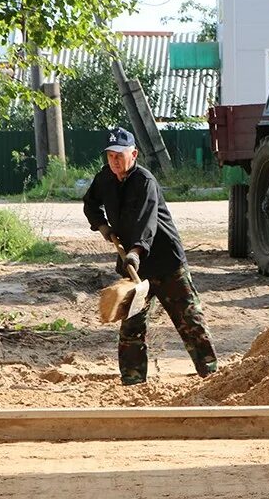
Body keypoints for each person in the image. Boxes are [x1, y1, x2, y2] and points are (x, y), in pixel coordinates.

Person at [84, 127, 218, 385]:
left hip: (165, 263)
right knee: (132, 325)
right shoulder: (104, 179)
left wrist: (134, 253)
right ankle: (133, 380)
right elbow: (90, 203)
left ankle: (210, 374)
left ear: (133, 154)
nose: (114, 160)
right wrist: (102, 226)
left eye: (119, 155)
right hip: (134, 269)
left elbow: (147, 225)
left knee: (189, 320)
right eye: (110, 155)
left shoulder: (145, 182)